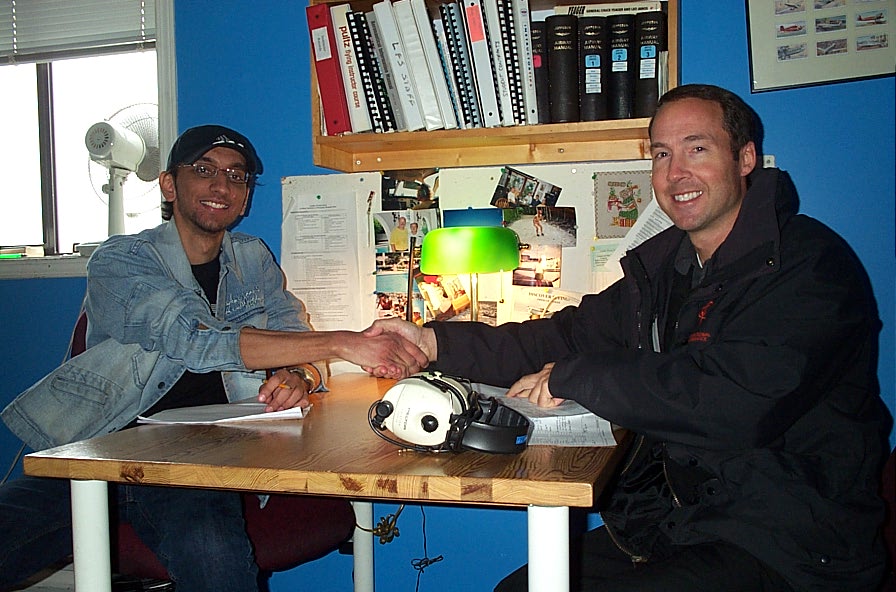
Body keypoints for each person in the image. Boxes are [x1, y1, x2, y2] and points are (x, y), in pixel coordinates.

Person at [364, 85, 891, 592]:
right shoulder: (668, 269)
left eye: (697, 149)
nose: (674, 172)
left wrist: (579, 377)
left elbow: (735, 400)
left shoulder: (810, 264)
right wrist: (434, 343)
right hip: (684, 523)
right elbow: (566, 335)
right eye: (661, 154)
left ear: (746, 159)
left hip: (792, 541)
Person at [0, 125, 426, 592]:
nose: (221, 186)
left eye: (236, 176)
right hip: (100, 447)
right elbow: (194, 338)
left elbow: (293, 332)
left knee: (215, 560)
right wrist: (342, 342)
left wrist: (299, 374)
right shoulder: (120, 260)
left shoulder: (253, 258)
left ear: (244, 197)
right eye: (203, 170)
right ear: (169, 184)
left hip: (199, 457)